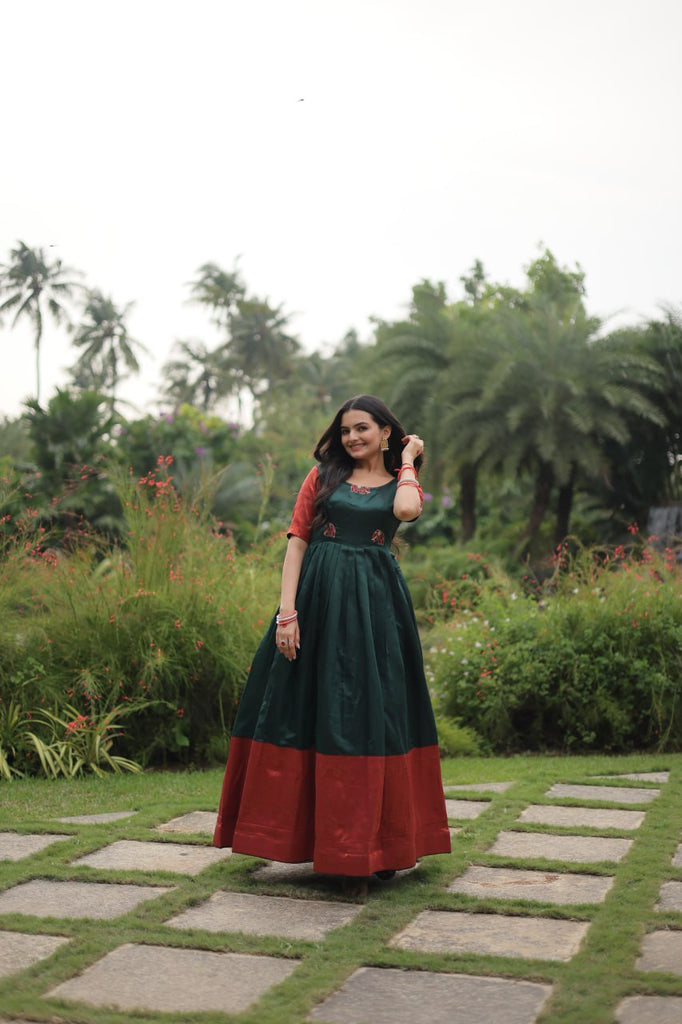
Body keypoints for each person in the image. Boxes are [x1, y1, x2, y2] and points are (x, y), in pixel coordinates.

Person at [213, 395, 451, 895]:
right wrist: (287, 612)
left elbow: (407, 510)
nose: (351, 438)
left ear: (386, 432)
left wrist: (407, 462)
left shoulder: (399, 483)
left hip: (374, 613)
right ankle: (321, 841)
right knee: (309, 713)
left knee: (373, 719)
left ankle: (375, 844)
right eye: (345, 431)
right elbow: (297, 542)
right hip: (317, 607)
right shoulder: (322, 478)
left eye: (362, 428)